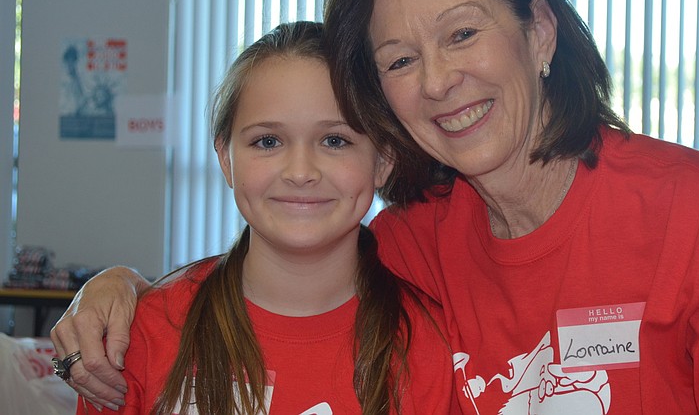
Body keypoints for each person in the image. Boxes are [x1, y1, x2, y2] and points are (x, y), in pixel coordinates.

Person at [53, 0, 699, 414]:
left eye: (463, 34)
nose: (437, 81)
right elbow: (288, 264)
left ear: (540, 33)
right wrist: (118, 288)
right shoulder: (415, 243)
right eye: (400, 60)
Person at [63, 21, 456, 414]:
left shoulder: (431, 348)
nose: (300, 172)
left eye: (335, 140)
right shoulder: (141, 335)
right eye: (268, 141)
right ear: (226, 159)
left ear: (383, 160)